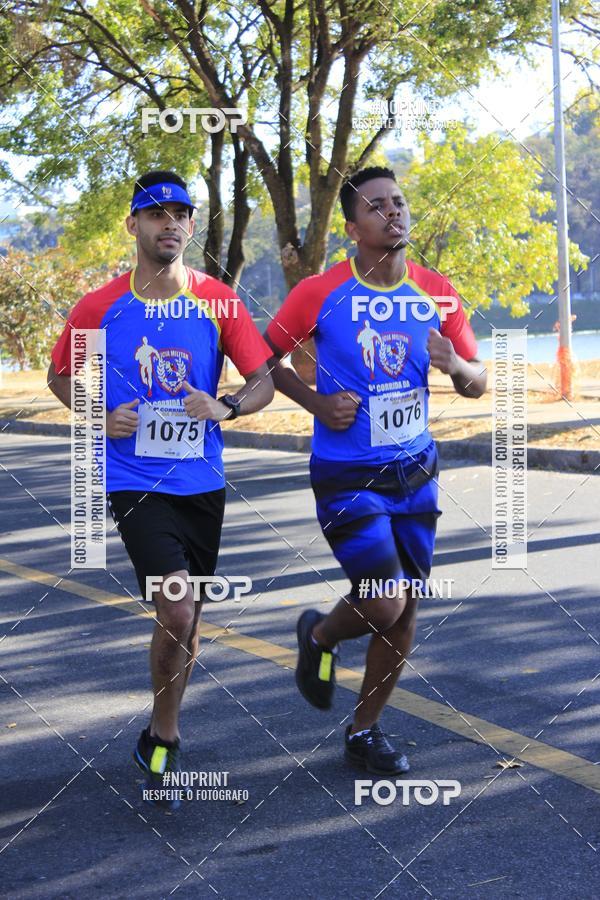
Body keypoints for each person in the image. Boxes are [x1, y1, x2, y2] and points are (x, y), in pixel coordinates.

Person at [48, 170, 274, 808]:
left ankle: (158, 728)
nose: (169, 223)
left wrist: (227, 407)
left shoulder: (219, 302)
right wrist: (98, 416)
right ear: (133, 225)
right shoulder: (99, 307)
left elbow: (263, 380)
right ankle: (166, 741)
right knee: (176, 607)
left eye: (179, 214)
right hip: (133, 478)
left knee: (189, 618)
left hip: (202, 480)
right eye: (155, 213)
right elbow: (60, 376)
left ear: (191, 226)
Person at [264, 166, 486, 775]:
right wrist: (315, 403)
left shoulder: (436, 292)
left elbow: (478, 380)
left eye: (399, 202)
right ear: (352, 227)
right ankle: (319, 636)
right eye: (377, 206)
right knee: (385, 602)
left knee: (404, 609)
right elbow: (265, 359)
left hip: (416, 471)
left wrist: (455, 367)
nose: (393, 212)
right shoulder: (319, 292)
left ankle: (364, 731)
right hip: (347, 473)